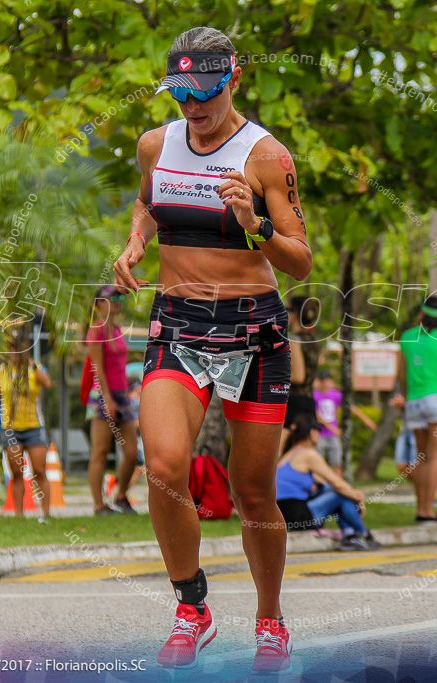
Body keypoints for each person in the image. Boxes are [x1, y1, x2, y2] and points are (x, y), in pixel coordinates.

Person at [112, 26, 311, 673]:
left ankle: (270, 618)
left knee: (253, 491)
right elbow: (147, 203)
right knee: (165, 466)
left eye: (205, 93)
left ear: (235, 81)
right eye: (181, 95)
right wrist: (136, 242)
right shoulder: (154, 145)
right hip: (178, 325)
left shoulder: (266, 157)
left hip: (253, 330)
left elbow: (301, 261)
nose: (193, 108)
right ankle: (192, 605)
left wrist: (256, 227)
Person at [275, 413, 379, 550]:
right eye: (319, 431)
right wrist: (358, 497)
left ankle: (350, 535)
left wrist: (351, 493)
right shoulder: (308, 454)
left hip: (284, 515)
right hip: (296, 517)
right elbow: (337, 483)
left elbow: (326, 483)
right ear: (312, 433)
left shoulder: (290, 454)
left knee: (336, 492)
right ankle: (364, 534)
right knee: (340, 494)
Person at [394, 297, 437, 523]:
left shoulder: (407, 338)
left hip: (414, 402)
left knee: (421, 457)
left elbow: (400, 374)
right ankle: (428, 511)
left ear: (420, 314)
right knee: (435, 457)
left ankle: (421, 509)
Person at [85, 285, 140, 515]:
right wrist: (107, 399)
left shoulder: (116, 329)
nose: (117, 301)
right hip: (102, 396)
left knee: (131, 453)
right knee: (100, 452)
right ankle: (99, 506)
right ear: (99, 304)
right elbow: (97, 369)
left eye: (119, 298)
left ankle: (120, 497)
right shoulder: (97, 330)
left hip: (122, 395)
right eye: (112, 298)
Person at [0, 335, 53, 522]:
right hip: (10, 428)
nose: (13, 352)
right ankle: (18, 514)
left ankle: (46, 513)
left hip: (34, 426)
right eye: (10, 349)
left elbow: (47, 383)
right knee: (17, 472)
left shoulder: (34, 368)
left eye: (17, 349)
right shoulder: (1, 370)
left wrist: (31, 366)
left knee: (40, 470)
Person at [313, 370, 377, 476]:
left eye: (326, 380)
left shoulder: (335, 395)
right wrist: (333, 429)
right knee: (318, 464)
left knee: (337, 463)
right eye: (322, 380)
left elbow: (350, 407)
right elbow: (317, 416)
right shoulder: (314, 395)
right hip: (319, 434)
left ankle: (337, 486)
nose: (324, 383)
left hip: (333, 435)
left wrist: (366, 419)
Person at [280, 296, 321, 454]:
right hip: (309, 402)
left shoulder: (294, 340)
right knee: (305, 451)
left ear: (296, 313)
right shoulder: (314, 340)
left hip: (294, 402)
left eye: (288, 309)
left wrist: (273, 378)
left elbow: (298, 376)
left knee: (280, 453)